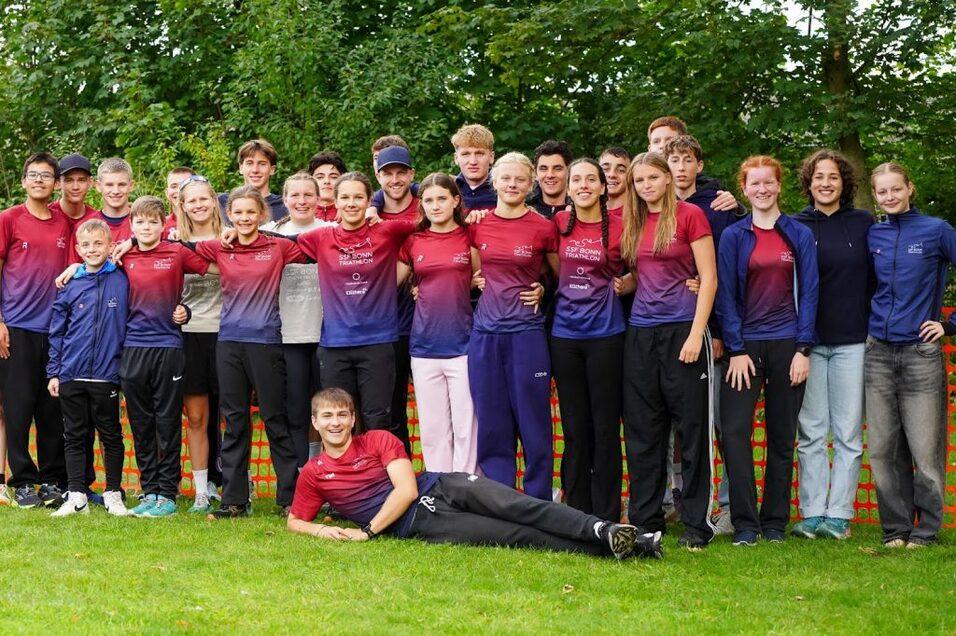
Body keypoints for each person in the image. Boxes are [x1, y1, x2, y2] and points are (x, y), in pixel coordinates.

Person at [286, 388, 663, 559]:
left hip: (441, 486)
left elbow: (404, 491)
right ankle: (628, 547)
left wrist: (367, 532)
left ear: (353, 419)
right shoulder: (314, 473)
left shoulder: (379, 440)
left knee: (522, 507)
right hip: (421, 524)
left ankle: (605, 530)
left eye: (342, 415)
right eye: (327, 416)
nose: (335, 423)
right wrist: (323, 528)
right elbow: (294, 521)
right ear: (316, 423)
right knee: (517, 535)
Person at [715, 155, 818, 546]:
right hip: (744, 348)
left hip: (788, 345)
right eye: (754, 184)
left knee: (781, 435)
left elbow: (810, 292)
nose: (762, 189)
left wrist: (803, 348)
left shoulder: (798, 234)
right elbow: (725, 294)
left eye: (769, 183)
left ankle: (774, 521)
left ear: (779, 186)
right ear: (745, 188)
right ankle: (745, 523)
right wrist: (737, 348)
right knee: (735, 432)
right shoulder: (734, 236)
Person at [620, 152, 718, 549]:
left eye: (652, 177)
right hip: (641, 334)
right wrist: (621, 285)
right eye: (638, 180)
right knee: (644, 431)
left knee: (692, 430)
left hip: (684, 332)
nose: (645, 186)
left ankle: (698, 525)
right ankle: (646, 520)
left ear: (667, 177)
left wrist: (697, 334)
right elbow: (640, 275)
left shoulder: (691, 215)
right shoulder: (634, 220)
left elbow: (708, 279)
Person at [192, 186, 306, 518]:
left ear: (261, 214)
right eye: (237, 212)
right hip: (228, 344)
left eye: (250, 212)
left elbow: (319, 245)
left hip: (266, 342)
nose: (244, 218)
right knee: (235, 421)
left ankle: (289, 499)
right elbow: (179, 249)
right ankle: (234, 500)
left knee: (275, 419)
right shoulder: (219, 247)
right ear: (229, 214)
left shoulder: (279, 245)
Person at [289, 173, 418, 444]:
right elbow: (274, 241)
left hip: (378, 342)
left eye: (358, 197)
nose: (351, 203)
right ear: (334, 201)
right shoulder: (320, 237)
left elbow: (433, 222)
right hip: (335, 344)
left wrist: (475, 218)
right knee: (339, 418)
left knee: (378, 418)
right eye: (345, 197)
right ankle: (344, 480)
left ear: (369, 200)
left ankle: (379, 481)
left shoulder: (388, 231)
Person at [865, 162, 954, 548]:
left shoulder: (937, 231)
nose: (889, 197)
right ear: (875, 195)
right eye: (882, 192)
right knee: (883, 449)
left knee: (925, 449)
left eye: (896, 189)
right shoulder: (874, 234)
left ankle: (926, 530)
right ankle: (896, 529)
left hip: (921, 353)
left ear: (910, 188)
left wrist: (949, 325)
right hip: (878, 353)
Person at [663, 134, 746, 533]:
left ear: (698, 164)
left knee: (714, 424)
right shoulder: (650, 207)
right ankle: (670, 503)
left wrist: (718, 332)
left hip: (709, 331)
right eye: (672, 160)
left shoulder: (718, 207)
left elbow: (725, 276)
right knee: (669, 427)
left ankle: (725, 506)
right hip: (661, 333)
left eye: (686, 160)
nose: (680, 167)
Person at [790, 150, 873, 540]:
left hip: (852, 340)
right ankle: (811, 512)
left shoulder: (863, 223)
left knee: (847, 433)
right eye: (818, 176)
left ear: (844, 183)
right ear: (808, 183)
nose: (825, 183)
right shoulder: (793, 225)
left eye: (833, 177)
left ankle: (838, 515)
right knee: (811, 430)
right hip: (806, 343)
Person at [108, 196, 207, 518]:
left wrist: (187, 310)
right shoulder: (123, 255)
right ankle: (149, 490)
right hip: (132, 348)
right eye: (140, 221)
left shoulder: (176, 252)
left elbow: (217, 269)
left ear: (164, 224)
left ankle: (167, 493)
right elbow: (93, 267)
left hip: (168, 347)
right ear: (132, 225)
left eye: (153, 221)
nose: (146, 227)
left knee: (166, 421)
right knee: (140, 422)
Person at [468, 152, 555, 501]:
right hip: (485, 335)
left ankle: (538, 501)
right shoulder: (476, 223)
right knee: (492, 424)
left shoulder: (543, 227)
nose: (513, 185)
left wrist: (544, 289)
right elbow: (473, 273)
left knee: (534, 424)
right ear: (495, 182)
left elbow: (559, 274)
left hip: (526, 335)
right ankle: (502, 502)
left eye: (520, 179)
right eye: (506, 179)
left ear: (530, 184)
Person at [549, 158, 630, 521]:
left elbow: (642, 268)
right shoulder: (556, 225)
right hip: (565, 337)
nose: (583, 185)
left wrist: (629, 283)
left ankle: (608, 511)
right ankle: (577, 511)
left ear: (603, 187)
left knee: (605, 426)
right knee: (575, 426)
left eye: (590, 179)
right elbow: (551, 270)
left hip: (607, 336)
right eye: (576, 179)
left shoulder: (623, 225)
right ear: (568, 188)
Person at [0, 152, 72, 508]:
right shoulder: (9, 219)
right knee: (18, 407)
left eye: (47, 175)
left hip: (56, 331)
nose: (40, 180)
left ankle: (52, 480)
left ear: (55, 183)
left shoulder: (64, 223)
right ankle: (24, 481)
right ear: (24, 180)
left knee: (51, 409)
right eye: (33, 175)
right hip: (16, 328)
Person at [46, 219, 130, 517]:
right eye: (87, 245)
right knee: (75, 435)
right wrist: (54, 371)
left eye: (99, 244)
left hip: (107, 375)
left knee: (110, 435)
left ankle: (113, 493)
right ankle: (77, 494)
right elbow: (57, 330)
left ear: (110, 247)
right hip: (71, 373)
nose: (93, 249)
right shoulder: (71, 284)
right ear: (78, 249)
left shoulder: (122, 279)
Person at [397, 173, 479, 472]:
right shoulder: (413, 241)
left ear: (456, 200)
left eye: (442, 198)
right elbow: (391, 281)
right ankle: (438, 488)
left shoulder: (471, 235)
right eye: (428, 200)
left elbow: (483, 278)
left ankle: (467, 488)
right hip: (424, 345)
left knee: (466, 427)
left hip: (464, 343)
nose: (435, 205)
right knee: (433, 431)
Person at [260, 173, 335, 469]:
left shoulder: (332, 230)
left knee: (327, 406)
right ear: (285, 199)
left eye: (308, 195)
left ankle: (324, 467)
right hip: (287, 333)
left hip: (328, 333)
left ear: (319, 198)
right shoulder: (267, 232)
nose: (302, 201)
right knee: (295, 409)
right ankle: (301, 472)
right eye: (295, 195)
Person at [177, 175, 226, 511]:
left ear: (213, 201)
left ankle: (235, 483)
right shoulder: (172, 242)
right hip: (189, 338)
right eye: (191, 201)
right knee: (196, 417)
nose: (198, 205)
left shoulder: (232, 238)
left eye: (203, 199)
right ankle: (201, 490)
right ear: (182, 206)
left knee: (232, 417)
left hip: (228, 335)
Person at [372, 145, 422, 453]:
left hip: (428, 319)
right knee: (390, 407)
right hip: (386, 323)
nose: (395, 179)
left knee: (436, 405)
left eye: (401, 172)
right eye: (388, 173)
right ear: (378, 176)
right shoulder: (368, 211)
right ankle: (399, 476)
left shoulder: (427, 205)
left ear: (411, 174)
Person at [218, 138, 287, 222]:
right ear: (241, 167)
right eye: (249, 163)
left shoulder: (285, 206)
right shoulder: (221, 203)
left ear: (272, 169)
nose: (255, 170)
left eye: (262, 164)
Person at [452, 124, 497, 213]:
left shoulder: (505, 190)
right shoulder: (448, 189)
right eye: (466, 154)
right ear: (456, 158)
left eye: (480, 154)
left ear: (491, 157)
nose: (473, 162)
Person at [527, 140, 572, 219]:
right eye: (543, 169)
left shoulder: (580, 210)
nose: (550, 175)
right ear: (535, 174)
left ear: (569, 172)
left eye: (557, 169)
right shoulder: (525, 210)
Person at [96, 157, 136, 242]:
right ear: (98, 186)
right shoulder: (85, 226)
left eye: (122, 184)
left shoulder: (147, 225)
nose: (116, 191)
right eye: (109, 185)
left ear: (131, 185)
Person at [308, 151, 346, 222]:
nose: (327, 181)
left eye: (334, 177)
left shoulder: (355, 213)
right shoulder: (300, 212)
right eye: (320, 177)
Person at [162, 166, 195, 237]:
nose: (179, 191)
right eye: (174, 186)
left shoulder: (209, 223)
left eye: (185, 185)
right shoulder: (161, 226)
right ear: (167, 193)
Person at [599, 146, 630, 218]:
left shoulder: (639, 213)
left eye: (621, 170)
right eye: (605, 169)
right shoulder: (587, 213)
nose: (612, 175)